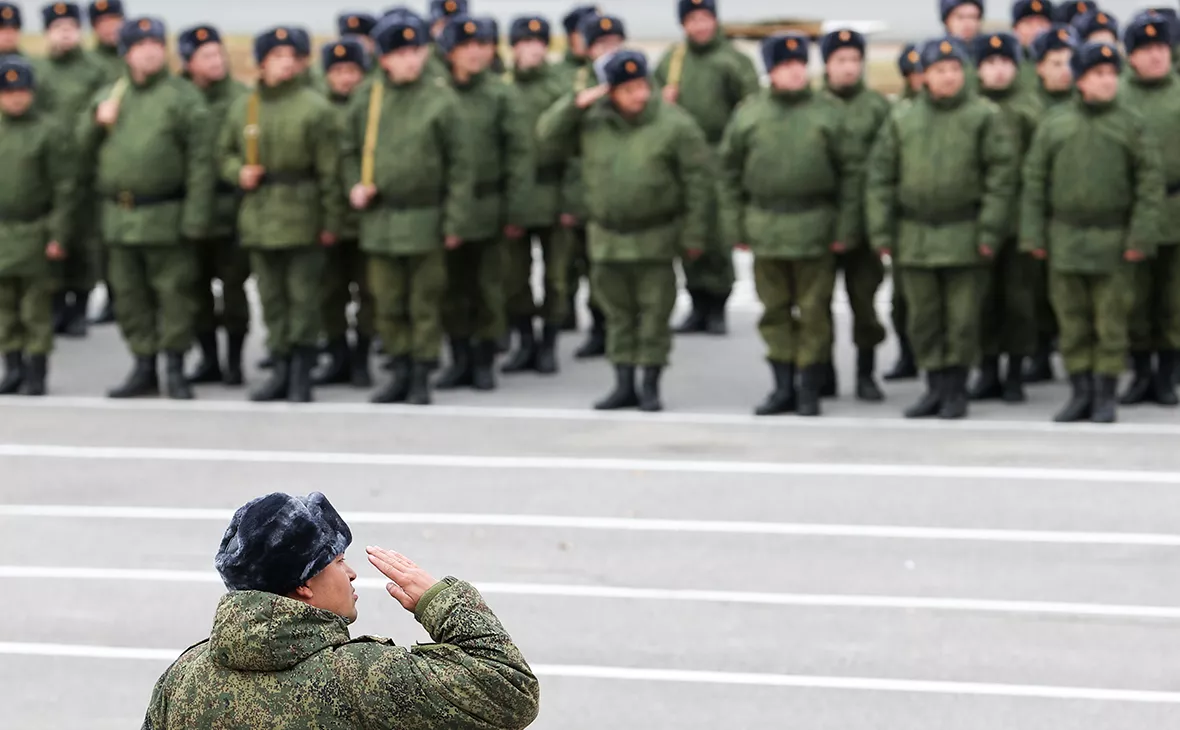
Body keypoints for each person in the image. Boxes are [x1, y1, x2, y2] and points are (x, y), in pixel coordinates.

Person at [141, 491, 540, 730]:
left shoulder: (182, 677)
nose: (351, 574)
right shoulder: (360, 677)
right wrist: (440, 600)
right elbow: (510, 690)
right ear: (303, 583)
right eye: (336, 561)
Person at [538, 49, 711, 412]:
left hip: (655, 238)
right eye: (627, 88)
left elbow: (698, 184)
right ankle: (623, 384)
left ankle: (650, 385)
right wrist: (577, 102)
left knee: (653, 316)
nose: (639, 95)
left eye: (642, 86)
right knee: (617, 315)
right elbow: (547, 135)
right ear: (610, 91)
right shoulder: (593, 123)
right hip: (607, 238)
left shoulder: (675, 125)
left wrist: (695, 236)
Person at [866, 37, 1017, 420]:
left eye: (953, 69)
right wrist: (882, 232)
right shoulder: (903, 119)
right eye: (938, 71)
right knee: (924, 318)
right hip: (915, 235)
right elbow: (881, 177)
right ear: (923, 77)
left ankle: (956, 388)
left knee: (962, 318)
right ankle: (933, 385)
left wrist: (989, 231)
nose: (947, 77)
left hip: (963, 232)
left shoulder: (983, 116)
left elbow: (1001, 178)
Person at [718, 33, 859, 417]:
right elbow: (728, 173)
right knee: (775, 311)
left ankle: (810, 386)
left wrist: (845, 228)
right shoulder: (750, 113)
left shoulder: (828, 112)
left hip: (816, 226)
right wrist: (736, 227)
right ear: (771, 71)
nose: (795, 72)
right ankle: (782, 385)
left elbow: (851, 174)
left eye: (800, 64)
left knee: (814, 312)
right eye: (785, 66)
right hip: (766, 227)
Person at [1021, 41, 1163, 423]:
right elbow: (1035, 182)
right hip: (1066, 238)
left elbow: (1149, 186)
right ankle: (1080, 390)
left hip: (1113, 240)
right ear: (1080, 80)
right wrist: (1033, 235)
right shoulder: (1056, 124)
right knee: (1073, 321)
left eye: (1111, 74)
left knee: (1111, 322)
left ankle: (1105, 394)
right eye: (1097, 75)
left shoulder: (1130, 125)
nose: (1107, 82)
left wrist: (1140, 237)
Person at [341, 13, 474, 406]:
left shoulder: (439, 99)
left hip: (425, 218)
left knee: (424, 302)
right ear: (383, 59)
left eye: (415, 50)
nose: (410, 60)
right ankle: (398, 370)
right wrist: (354, 186)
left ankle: (421, 373)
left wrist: (454, 221)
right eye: (400, 53)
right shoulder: (369, 97)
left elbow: (460, 166)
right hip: (381, 219)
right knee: (388, 301)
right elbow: (348, 149)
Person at [78, 16, 214, 400]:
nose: (151, 50)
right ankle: (143, 364)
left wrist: (195, 217)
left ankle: (175, 366)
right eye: (141, 45)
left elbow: (202, 163)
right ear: (127, 52)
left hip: (166, 215)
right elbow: (79, 152)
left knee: (174, 295)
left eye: (157, 43)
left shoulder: (182, 97)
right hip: (121, 218)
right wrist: (95, 122)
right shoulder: (112, 95)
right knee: (129, 295)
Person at [218, 26, 343, 403]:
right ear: (261, 63)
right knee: (271, 298)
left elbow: (330, 172)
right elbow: (222, 153)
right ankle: (281, 365)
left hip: (301, 212)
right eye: (276, 57)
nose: (285, 65)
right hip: (259, 215)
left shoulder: (315, 108)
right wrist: (237, 171)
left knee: (303, 297)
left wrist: (331, 221)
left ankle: (302, 372)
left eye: (293, 57)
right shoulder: (245, 106)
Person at [434, 16, 531, 393]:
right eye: (467, 46)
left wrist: (515, 209)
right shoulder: (438, 94)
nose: (476, 53)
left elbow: (519, 157)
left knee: (488, 287)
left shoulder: (502, 95)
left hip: (490, 206)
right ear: (450, 52)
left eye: (483, 45)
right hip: (446, 209)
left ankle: (484, 359)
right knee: (450, 288)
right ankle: (458, 357)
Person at [655, 0, 759, 338]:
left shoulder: (733, 60)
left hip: (718, 154)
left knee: (715, 234)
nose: (700, 26)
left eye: (705, 18)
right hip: (680, 159)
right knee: (689, 231)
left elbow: (751, 108)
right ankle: (697, 303)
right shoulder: (673, 60)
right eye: (692, 19)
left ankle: (717, 304)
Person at [818, 28, 890, 402]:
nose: (848, 68)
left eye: (854, 60)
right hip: (821, 226)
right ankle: (824, 372)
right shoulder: (814, 106)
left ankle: (866, 372)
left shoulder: (878, 108)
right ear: (827, 64)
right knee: (817, 306)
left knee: (864, 303)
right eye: (840, 60)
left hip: (864, 225)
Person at [178, 24, 250, 388]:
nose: (216, 61)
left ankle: (235, 361)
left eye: (219, 53)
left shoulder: (241, 97)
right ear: (188, 61)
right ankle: (208, 359)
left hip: (232, 209)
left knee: (234, 290)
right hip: (190, 211)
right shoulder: (179, 97)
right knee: (195, 290)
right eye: (206, 55)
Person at [1114, 13, 1179, 407]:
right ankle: (1139, 372)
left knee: (1173, 301)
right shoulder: (1117, 95)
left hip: (1176, 208)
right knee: (1134, 300)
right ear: (1131, 56)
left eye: (1161, 48)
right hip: (1131, 213)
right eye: (1145, 50)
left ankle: (1167, 376)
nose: (1155, 56)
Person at [970, 32, 1039, 403]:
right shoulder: (971, 110)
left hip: (1018, 223)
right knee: (982, 300)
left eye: (1005, 63)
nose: (998, 71)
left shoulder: (1029, 110)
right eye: (990, 64)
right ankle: (987, 368)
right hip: (979, 221)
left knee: (1018, 300)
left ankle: (1015, 372)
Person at [0, 56, 74, 396]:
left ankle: (36, 371)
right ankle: (12, 367)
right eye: (8, 91)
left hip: (35, 229)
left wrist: (58, 234)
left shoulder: (48, 131)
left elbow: (64, 187)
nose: (16, 98)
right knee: (4, 307)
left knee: (35, 308)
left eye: (22, 91)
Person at [501, 15, 569, 375]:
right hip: (516, 197)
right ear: (513, 47)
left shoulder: (560, 87)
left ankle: (549, 344)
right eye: (524, 42)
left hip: (554, 194)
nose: (532, 49)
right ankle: (524, 341)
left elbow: (577, 149)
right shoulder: (502, 88)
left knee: (557, 278)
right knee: (513, 277)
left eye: (539, 42)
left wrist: (572, 201)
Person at [560, 12, 628, 360]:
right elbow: (551, 138)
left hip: (627, 198)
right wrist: (576, 104)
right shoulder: (573, 82)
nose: (608, 51)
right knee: (589, 269)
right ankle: (598, 328)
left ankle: (626, 337)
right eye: (601, 44)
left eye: (615, 43)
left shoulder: (637, 83)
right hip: (583, 193)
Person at [40, 2, 106, 340]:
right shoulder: (37, 71)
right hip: (47, 170)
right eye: (58, 27)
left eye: (71, 26)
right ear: (47, 33)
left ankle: (79, 307)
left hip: (86, 167)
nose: (65, 33)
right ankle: (54, 305)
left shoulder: (95, 70)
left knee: (84, 240)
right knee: (51, 238)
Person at [314, 37, 375, 390]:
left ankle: (362, 357)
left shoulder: (374, 109)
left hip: (367, 221)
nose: (346, 78)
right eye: (337, 71)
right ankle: (337, 356)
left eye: (352, 70)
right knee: (329, 294)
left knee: (370, 296)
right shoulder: (318, 110)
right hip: (329, 219)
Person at [1023, 23, 1078, 384]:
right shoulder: (1028, 106)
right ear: (1039, 66)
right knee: (1033, 289)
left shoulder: (1084, 104)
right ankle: (1039, 352)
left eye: (1069, 61)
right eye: (1054, 62)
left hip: (1072, 212)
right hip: (1037, 208)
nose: (1063, 69)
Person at [882, 42, 924, 384]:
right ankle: (907, 354)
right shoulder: (897, 114)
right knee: (902, 299)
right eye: (913, 74)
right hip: (905, 222)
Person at [1011, 0, 1055, 89]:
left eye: (1042, 23)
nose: (1036, 30)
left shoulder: (1065, 62)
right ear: (1015, 29)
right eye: (1028, 24)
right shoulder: (1008, 64)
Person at [87, 0, 124, 82]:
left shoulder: (134, 58)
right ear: (94, 28)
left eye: (113, 20)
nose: (110, 27)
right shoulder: (87, 62)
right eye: (102, 23)